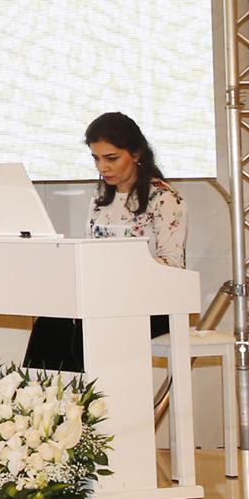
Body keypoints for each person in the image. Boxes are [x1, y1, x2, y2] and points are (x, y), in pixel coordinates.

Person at [23, 111, 187, 372]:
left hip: (150, 303)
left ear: (136, 154)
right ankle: (48, 395)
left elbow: (173, 263)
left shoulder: (165, 198)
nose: (102, 168)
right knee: (50, 323)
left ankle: (92, 393)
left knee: (90, 330)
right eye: (96, 158)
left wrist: (122, 270)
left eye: (111, 158)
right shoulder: (100, 198)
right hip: (104, 298)